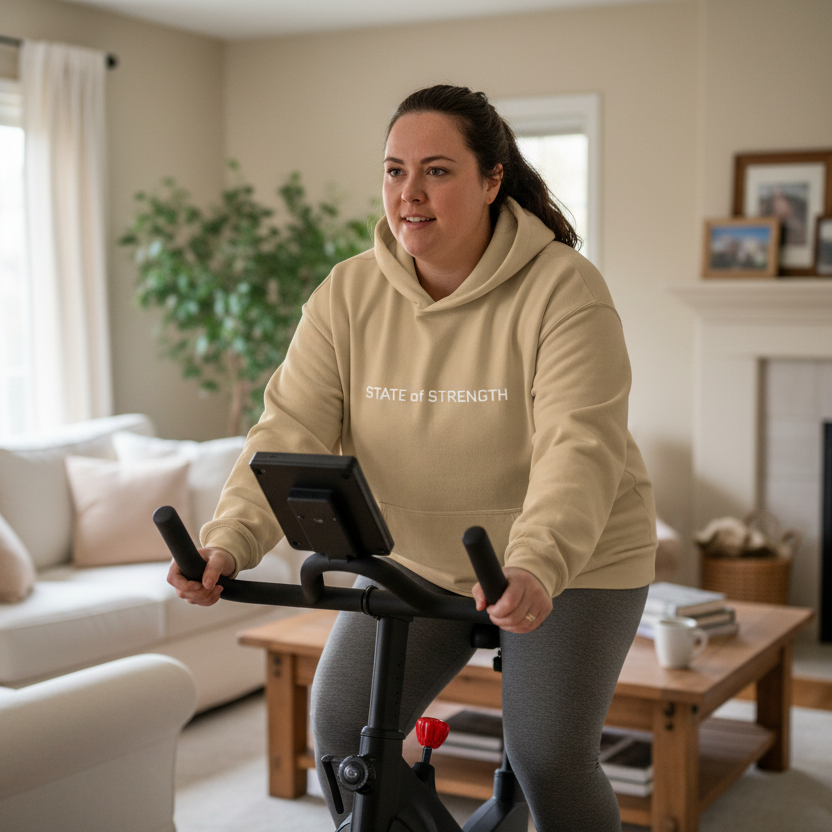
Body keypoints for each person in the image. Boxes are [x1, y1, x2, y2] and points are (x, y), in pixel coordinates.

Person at [168, 84, 656, 832]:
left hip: (572, 561)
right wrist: (228, 542)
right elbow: (288, 428)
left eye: (437, 170)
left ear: (493, 180)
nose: (410, 195)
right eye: (395, 171)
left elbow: (577, 447)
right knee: (339, 734)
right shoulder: (347, 293)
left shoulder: (566, 290)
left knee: (549, 756)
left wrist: (538, 563)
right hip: (419, 558)